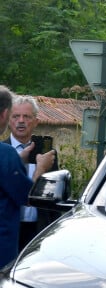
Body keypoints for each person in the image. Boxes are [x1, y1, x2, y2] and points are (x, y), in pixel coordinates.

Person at [0, 86, 55, 266]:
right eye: (15, 116)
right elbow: (27, 197)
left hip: (36, 231)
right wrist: (39, 170)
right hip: (6, 242)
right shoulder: (6, 154)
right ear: (6, 116)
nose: (21, 121)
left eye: (27, 117)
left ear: (36, 121)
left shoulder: (47, 152)